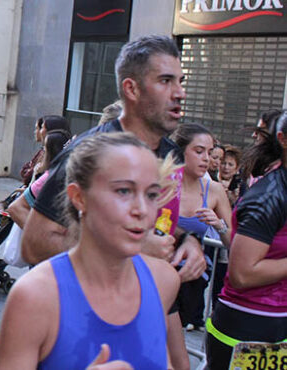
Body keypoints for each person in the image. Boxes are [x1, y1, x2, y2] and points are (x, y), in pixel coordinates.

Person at [20, 35, 206, 370]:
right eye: (165, 81)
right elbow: (34, 245)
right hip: (85, 311)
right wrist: (131, 247)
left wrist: (188, 242)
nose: (180, 92)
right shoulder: (88, 153)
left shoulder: (171, 154)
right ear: (132, 90)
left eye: (181, 81)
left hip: (152, 294)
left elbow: (160, 224)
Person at [0, 132, 180, 369]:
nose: (142, 210)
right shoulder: (37, 296)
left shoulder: (162, 280)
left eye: (152, 195)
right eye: (123, 191)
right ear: (79, 197)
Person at [205, 111, 287, 369]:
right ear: (283, 139)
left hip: (277, 325)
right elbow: (242, 273)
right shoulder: (267, 197)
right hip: (248, 326)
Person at [170, 123, 232, 332]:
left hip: (192, 281)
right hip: (159, 274)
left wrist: (218, 225)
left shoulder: (214, 191)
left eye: (210, 152)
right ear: (180, 151)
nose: (207, 158)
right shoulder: (163, 183)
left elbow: (234, 242)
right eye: (199, 151)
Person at [7, 127, 72, 228]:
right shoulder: (51, 175)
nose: (42, 154)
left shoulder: (50, 176)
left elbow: (15, 208)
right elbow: (16, 207)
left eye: (44, 149)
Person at [20, 115, 69, 186]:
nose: (39, 131)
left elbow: (28, 178)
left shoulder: (53, 171)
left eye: (42, 127)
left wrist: (34, 172)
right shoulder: (43, 152)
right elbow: (24, 171)